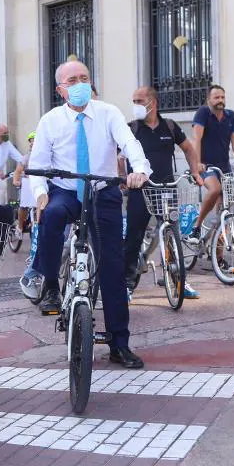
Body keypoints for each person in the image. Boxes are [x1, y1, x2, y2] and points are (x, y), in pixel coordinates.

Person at [28, 60, 150, 369]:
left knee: (112, 266)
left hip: (102, 191)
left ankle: (119, 344)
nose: (80, 83)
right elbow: (38, 164)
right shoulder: (50, 121)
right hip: (65, 191)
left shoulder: (108, 113)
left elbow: (129, 143)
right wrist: (41, 195)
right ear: (60, 89)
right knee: (52, 216)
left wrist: (140, 170)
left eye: (84, 77)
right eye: (72, 80)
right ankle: (51, 286)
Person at [122, 86, 203, 297]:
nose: (135, 105)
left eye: (139, 100)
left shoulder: (169, 126)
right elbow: (119, 156)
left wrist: (195, 171)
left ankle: (178, 281)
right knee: (133, 237)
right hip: (140, 191)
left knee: (172, 235)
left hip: (166, 190)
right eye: (134, 101)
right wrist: (122, 179)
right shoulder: (131, 128)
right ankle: (127, 284)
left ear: (152, 102)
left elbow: (188, 149)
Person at [189, 85, 234, 240]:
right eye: (216, 97)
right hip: (206, 166)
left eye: (222, 97)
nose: (220, 100)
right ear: (209, 99)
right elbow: (197, 139)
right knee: (215, 189)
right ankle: (197, 227)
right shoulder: (203, 113)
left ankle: (218, 256)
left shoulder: (231, 116)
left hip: (224, 167)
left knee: (224, 211)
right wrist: (198, 162)